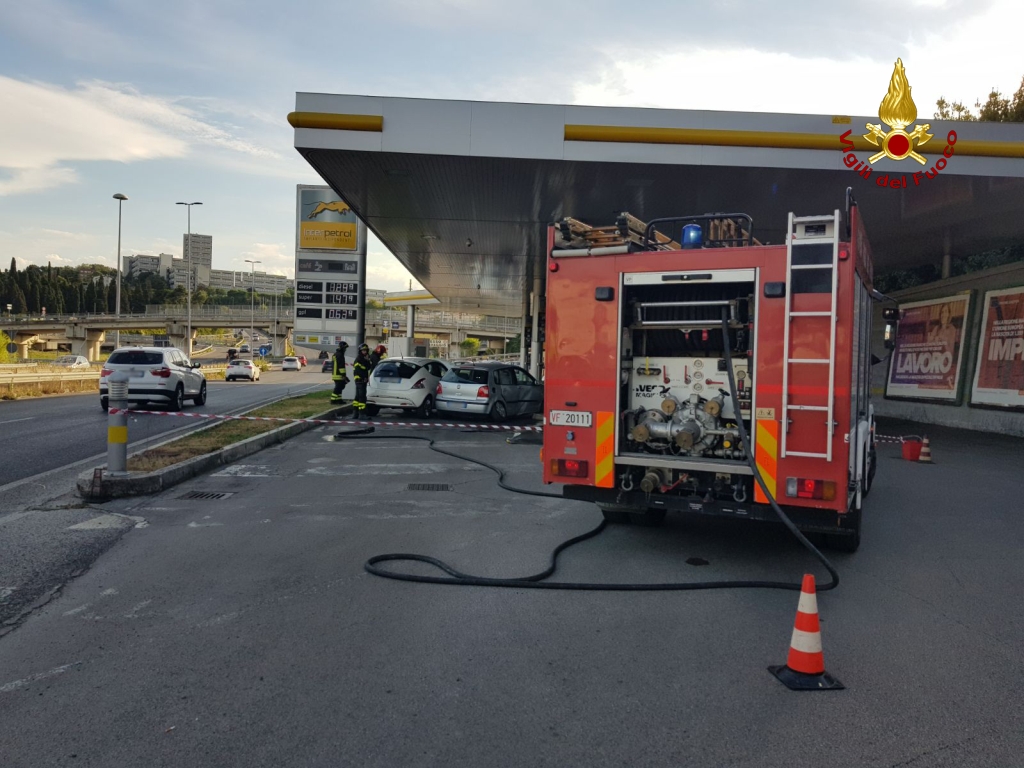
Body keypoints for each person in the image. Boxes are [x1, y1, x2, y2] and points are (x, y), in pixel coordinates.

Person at [352, 343, 371, 417]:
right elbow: (358, 370)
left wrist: (367, 360)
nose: (365, 352)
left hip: (360, 381)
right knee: (362, 398)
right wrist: (362, 378)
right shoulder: (359, 359)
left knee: (357, 397)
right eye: (363, 350)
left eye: (366, 350)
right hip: (360, 380)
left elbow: (368, 367)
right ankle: (362, 414)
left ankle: (355, 413)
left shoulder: (363, 359)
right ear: (360, 351)